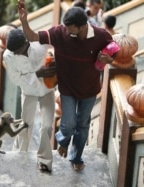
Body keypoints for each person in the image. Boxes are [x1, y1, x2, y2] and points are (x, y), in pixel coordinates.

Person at [18, 1, 117, 171]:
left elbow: (114, 49)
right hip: (67, 88)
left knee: (83, 125)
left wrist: (109, 59)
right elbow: (33, 37)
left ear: (82, 26)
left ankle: (76, 157)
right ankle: (63, 141)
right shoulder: (59, 32)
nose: (67, 30)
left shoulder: (100, 35)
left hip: (89, 89)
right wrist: (24, 21)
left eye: (70, 28)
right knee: (69, 123)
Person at [3, 29, 56, 172]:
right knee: (25, 126)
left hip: (47, 90)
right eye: (13, 51)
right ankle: (20, 155)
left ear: (26, 43)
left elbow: (55, 56)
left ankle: (44, 160)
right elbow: (15, 79)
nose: (15, 54)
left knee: (47, 126)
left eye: (17, 51)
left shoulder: (41, 45)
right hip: (29, 91)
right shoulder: (8, 55)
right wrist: (36, 74)